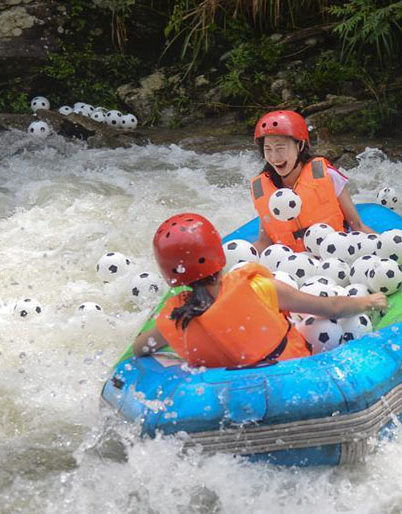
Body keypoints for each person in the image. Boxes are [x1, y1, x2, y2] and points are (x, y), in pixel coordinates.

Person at [132, 213, 387, 368]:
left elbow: (139, 349)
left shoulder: (176, 318)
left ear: (170, 274)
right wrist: (369, 302)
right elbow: (331, 308)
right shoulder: (257, 287)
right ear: (219, 254)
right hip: (291, 376)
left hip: (226, 398)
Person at [250, 109, 374, 253]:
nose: (274, 157)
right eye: (268, 149)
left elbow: (357, 226)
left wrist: (381, 243)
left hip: (336, 254)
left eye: (280, 148)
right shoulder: (262, 188)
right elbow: (264, 242)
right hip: (292, 261)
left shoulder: (327, 175)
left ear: (300, 146)